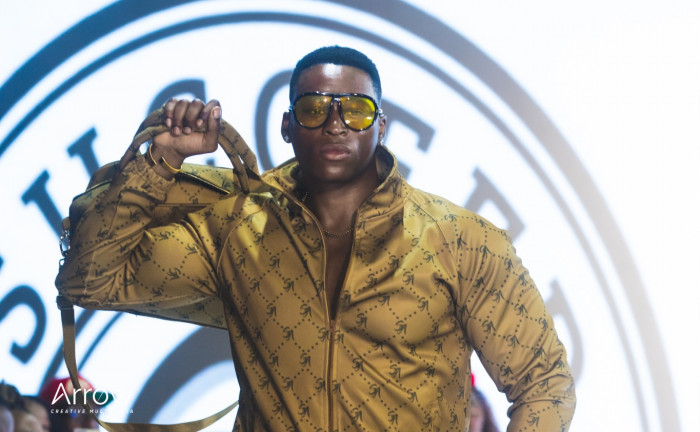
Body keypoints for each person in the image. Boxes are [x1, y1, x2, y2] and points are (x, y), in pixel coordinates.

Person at [56, 46, 576, 431]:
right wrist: (163, 159)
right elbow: (91, 281)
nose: (335, 124)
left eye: (356, 109)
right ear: (287, 126)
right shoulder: (237, 231)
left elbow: (544, 382)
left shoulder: (463, 242)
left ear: (381, 126)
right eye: (313, 109)